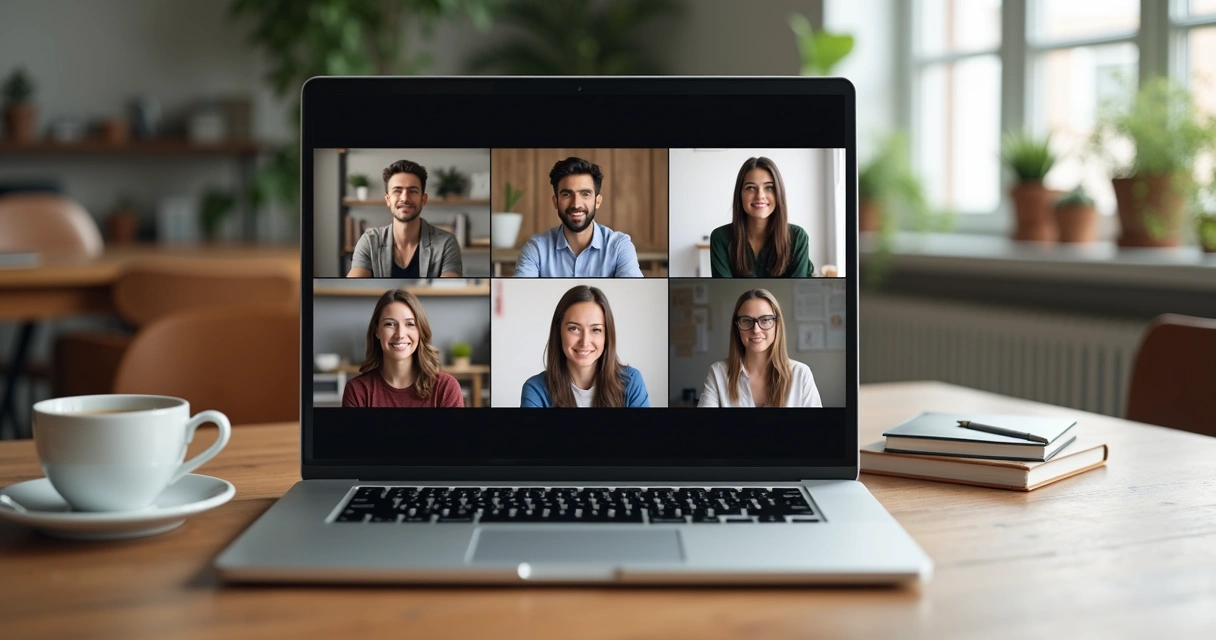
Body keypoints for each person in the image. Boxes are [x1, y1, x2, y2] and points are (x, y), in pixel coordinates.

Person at [513, 157, 644, 277]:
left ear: (597, 201)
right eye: (566, 194)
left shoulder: (619, 247)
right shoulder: (536, 249)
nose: (576, 204)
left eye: (585, 194)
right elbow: (521, 297)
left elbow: (634, 297)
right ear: (555, 202)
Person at [520, 285, 649, 407]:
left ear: (607, 335)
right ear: (558, 332)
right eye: (574, 328)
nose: (585, 342)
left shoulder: (631, 381)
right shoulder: (535, 390)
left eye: (596, 330)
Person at [698, 289, 822, 408]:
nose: (756, 330)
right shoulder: (718, 372)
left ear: (777, 325)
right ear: (737, 327)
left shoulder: (801, 374)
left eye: (766, 320)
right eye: (746, 321)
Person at [342, 288, 464, 407]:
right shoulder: (357, 391)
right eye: (390, 324)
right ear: (376, 330)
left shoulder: (445, 388)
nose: (400, 334)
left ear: (421, 330)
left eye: (410, 324)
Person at [347, 160, 463, 278]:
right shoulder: (369, 241)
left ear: (423, 199)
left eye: (413, 191)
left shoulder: (446, 243)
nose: (405, 198)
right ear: (387, 199)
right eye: (397, 190)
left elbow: (447, 288)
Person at [709, 156, 813, 278]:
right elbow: (723, 289)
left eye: (769, 187)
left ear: (778, 193)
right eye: (751, 188)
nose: (760, 196)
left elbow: (797, 290)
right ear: (740, 194)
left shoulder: (797, 237)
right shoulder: (720, 238)